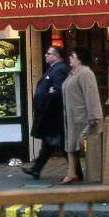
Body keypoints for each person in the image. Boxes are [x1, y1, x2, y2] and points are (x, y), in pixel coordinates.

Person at [23, 45, 69, 180]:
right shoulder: (53, 68)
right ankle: (36, 169)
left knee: (60, 144)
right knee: (49, 144)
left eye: (48, 53)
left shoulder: (59, 69)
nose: (45, 55)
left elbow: (57, 90)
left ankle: (76, 171)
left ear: (56, 56)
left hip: (53, 115)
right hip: (49, 114)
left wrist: (50, 94)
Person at [61, 46, 103, 185]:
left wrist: (93, 116)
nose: (70, 58)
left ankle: (95, 175)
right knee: (71, 146)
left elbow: (91, 96)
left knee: (88, 148)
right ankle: (71, 173)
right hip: (73, 117)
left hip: (84, 118)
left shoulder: (85, 73)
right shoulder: (72, 73)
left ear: (80, 59)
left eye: (72, 56)